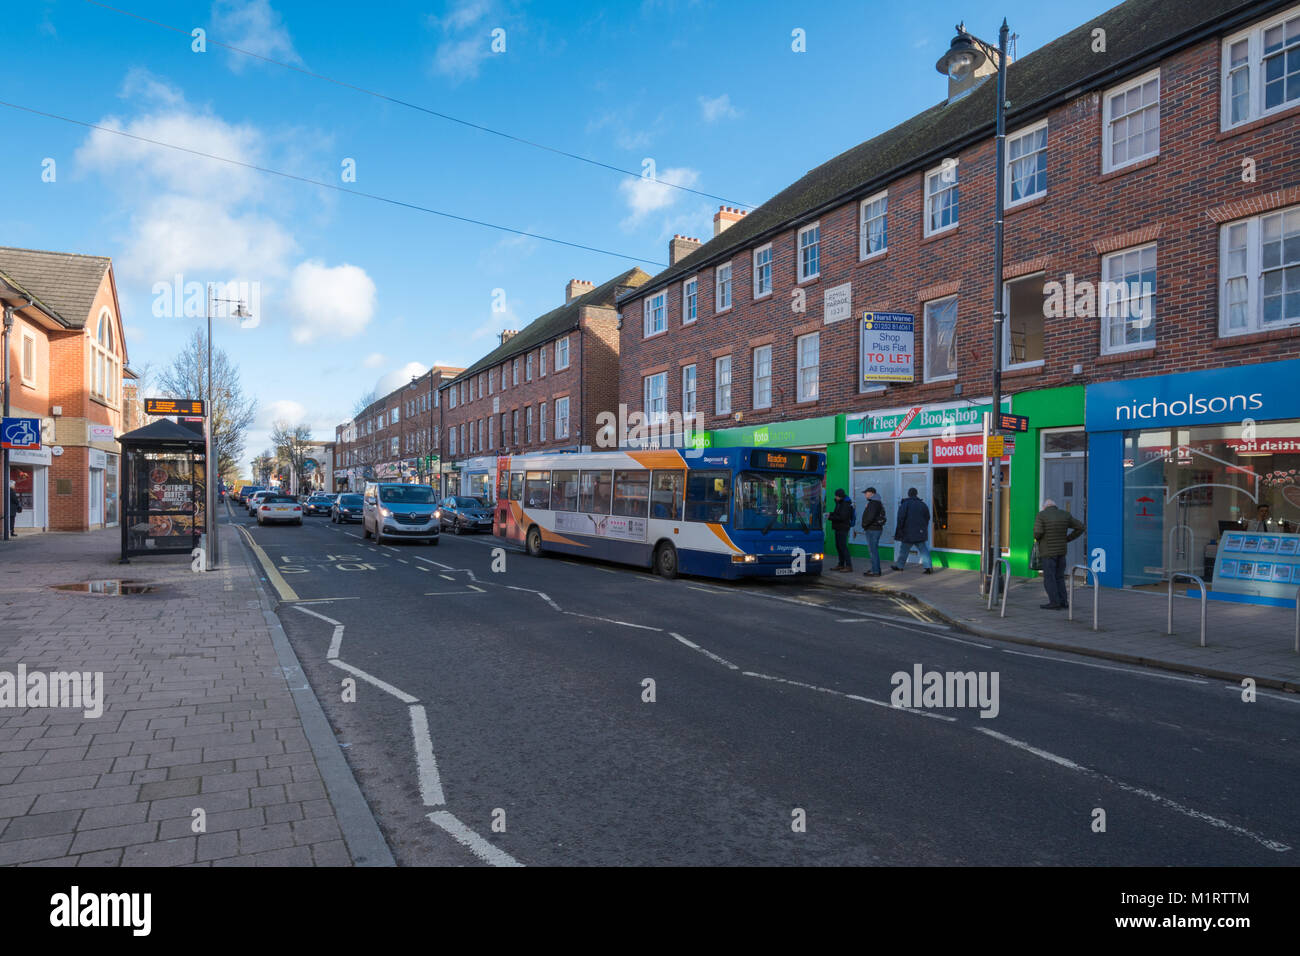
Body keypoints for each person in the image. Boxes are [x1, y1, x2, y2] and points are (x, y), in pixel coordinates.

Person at [1033, 497, 1085, 610]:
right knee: (1060, 577)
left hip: (1047, 552)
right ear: (1055, 506)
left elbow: (1037, 533)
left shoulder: (1041, 515)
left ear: (1044, 507)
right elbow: (1081, 527)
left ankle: (1054, 602)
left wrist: (1037, 536)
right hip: (1061, 552)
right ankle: (1064, 602)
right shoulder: (1065, 515)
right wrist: (1068, 538)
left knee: (1049, 578)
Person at [891, 487, 933, 573]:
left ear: (909, 494)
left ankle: (900, 566)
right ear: (916, 494)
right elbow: (927, 517)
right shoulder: (923, 504)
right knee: (923, 550)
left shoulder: (905, 504)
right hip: (920, 532)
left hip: (908, 533)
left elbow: (901, 518)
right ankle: (928, 567)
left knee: (904, 550)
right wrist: (922, 527)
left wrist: (900, 529)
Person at [860, 487, 886, 576]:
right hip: (876, 529)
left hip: (872, 529)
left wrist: (864, 525)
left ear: (871, 493)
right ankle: (875, 569)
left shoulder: (873, 503)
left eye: (866, 493)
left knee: (873, 551)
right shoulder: (877, 502)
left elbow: (870, 517)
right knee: (873, 550)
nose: (865, 495)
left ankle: (875, 571)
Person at [828, 488, 855, 572]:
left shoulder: (845, 504)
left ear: (840, 496)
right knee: (839, 546)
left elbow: (842, 517)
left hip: (843, 527)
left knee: (843, 547)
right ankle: (841, 564)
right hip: (838, 527)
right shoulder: (839, 503)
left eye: (836, 496)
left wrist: (830, 517)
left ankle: (848, 566)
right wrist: (830, 514)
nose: (835, 497)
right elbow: (838, 513)